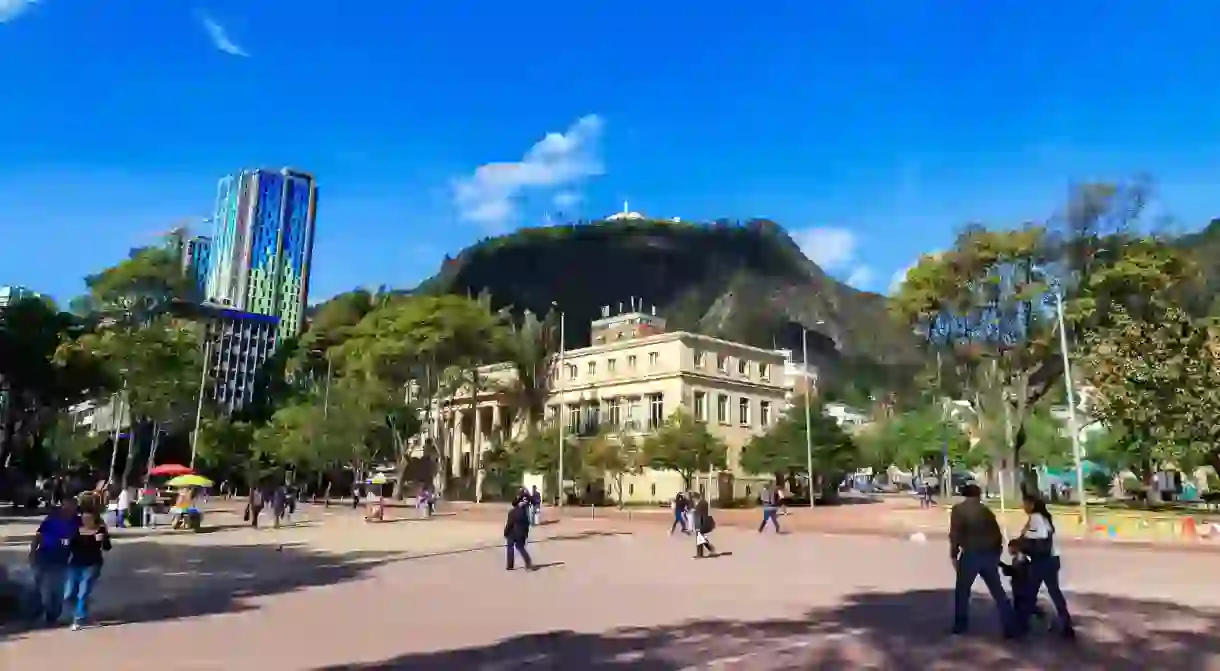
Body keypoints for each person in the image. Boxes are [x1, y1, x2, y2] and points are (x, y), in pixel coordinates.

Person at [949, 484, 1016, 637]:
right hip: (989, 554)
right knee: (998, 591)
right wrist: (996, 554)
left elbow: (955, 533)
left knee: (962, 591)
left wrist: (954, 554)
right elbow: (997, 534)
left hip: (971, 554)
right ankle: (1010, 625)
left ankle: (961, 624)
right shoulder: (986, 511)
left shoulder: (959, 510)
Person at [1014, 492, 1075, 639]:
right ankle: (1065, 622)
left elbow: (1038, 538)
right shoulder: (1044, 518)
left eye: (1026, 504)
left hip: (1041, 561)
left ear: (1032, 505)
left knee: (1030, 592)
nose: (1024, 507)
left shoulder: (1036, 518)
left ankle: (1021, 625)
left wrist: (1022, 543)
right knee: (1054, 592)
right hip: (1052, 560)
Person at [27, 498, 80, 625]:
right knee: (37, 585)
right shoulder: (51, 520)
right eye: (65, 508)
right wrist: (32, 552)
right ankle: (34, 611)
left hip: (61, 561)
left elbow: (81, 539)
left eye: (70, 508)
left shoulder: (77, 522)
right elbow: (38, 536)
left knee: (56, 590)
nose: (67, 511)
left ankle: (53, 615)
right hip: (43, 557)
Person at [65, 510, 111, 631]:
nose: (86, 521)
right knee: (69, 594)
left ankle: (77, 619)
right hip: (75, 564)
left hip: (93, 564)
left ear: (94, 519)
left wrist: (103, 540)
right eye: (84, 518)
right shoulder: (76, 530)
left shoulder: (100, 530)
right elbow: (70, 546)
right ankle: (85, 614)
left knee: (83, 592)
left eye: (88, 518)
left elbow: (107, 548)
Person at [1001, 538, 1049, 631]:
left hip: (1022, 587)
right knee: (1023, 606)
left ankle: (1023, 626)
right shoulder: (1018, 558)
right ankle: (1024, 623)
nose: (1009, 551)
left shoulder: (1021, 558)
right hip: (1019, 587)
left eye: (1010, 548)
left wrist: (1004, 567)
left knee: (1022, 607)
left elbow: (1017, 571)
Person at [503, 497, 535, 571]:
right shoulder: (524, 513)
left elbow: (509, 524)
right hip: (521, 533)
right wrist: (526, 534)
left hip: (512, 533)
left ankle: (510, 565)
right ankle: (528, 562)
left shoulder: (512, 512)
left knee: (510, 548)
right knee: (520, 548)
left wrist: (506, 532)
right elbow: (527, 524)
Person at [690, 492, 718, 558]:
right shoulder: (702, 503)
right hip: (704, 523)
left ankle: (700, 554)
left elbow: (700, 515)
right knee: (701, 537)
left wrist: (698, 526)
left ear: (696, 498)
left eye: (694, 499)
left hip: (703, 523)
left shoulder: (701, 504)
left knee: (699, 537)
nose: (694, 500)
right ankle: (711, 549)